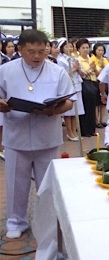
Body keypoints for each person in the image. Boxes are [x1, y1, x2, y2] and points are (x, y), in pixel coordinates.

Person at [0, 29, 75, 239]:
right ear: (20, 49)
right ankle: (16, 220)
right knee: (16, 182)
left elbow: (68, 101)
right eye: (31, 51)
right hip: (17, 134)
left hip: (47, 135)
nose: (37, 56)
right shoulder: (5, 70)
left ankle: (48, 221)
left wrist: (54, 109)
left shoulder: (57, 71)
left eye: (42, 51)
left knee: (48, 184)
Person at [57, 39, 85, 142]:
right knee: (69, 112)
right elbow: (62, 76)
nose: (69, 48)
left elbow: (83, 74)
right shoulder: (61, 60)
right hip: (67, 87)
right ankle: (69, 132)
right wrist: (73, 69)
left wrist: (77, 69)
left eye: (70, 46)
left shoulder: (74, 59)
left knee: (76, 111)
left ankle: (74, 131)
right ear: (62, 48)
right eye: (66, 47)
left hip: (77, 86)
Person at [77, 38, 98, 137]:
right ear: (79, 49)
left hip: (93, 83)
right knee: (85, 107)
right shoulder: (78, 60)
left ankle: (91, 129)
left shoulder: (91, 59)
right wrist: (91, 69)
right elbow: (82, 74)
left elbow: (98, 72)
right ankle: (84, 130)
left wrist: (95, 69)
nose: (85, 50)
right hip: (84, 84)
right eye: (83, 48)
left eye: (87, 47)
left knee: (92, 108)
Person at [90, 42, 109, 128]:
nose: (100, 52)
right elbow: (97, 73)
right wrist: (101, 67)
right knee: (96, 102)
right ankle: (96, 120)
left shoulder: (105, 59)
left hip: (105, 82)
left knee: (103, 102)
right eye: (98, 50)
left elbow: (108, 71)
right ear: (95, 50)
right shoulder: (92, 59)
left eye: (102, 50)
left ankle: (102, 120)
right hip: (95, 82)